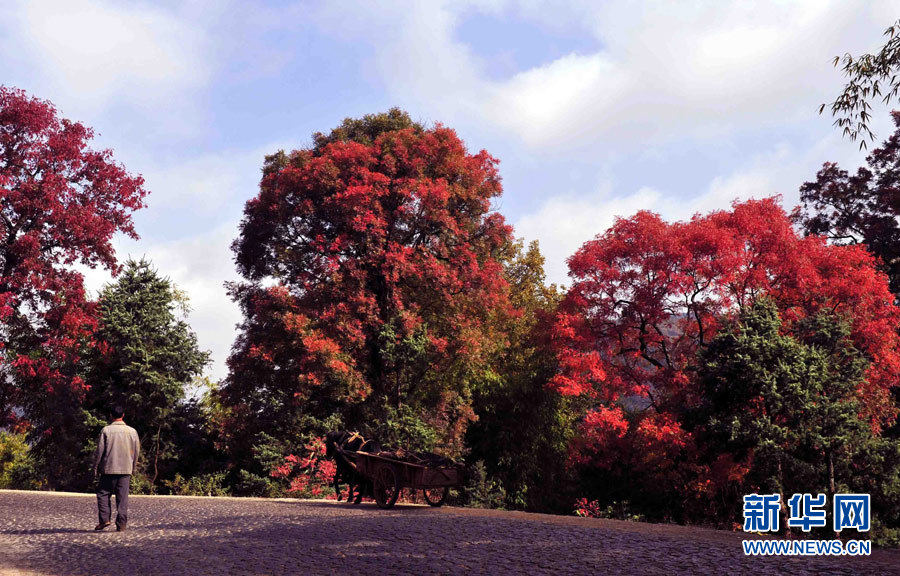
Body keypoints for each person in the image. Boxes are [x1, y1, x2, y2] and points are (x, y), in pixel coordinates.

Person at [92, 406, 140, 532]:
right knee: (122, 498)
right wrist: (133, 468)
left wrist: (95, 467)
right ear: (123, 415)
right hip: (125, 469)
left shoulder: (106, 431)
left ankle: (104, 519)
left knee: (103, 494)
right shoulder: (132, 431)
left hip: (108, 468)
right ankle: (122, 524)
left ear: (110, 415)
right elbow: (136, 452)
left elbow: (99, 451)